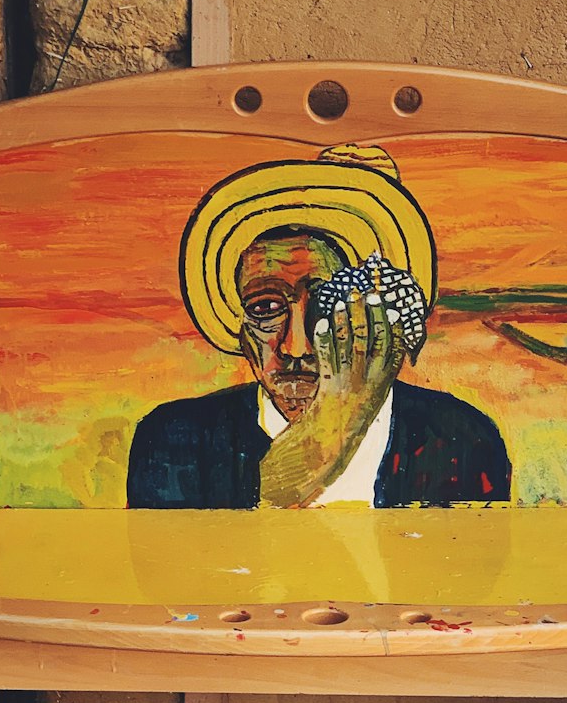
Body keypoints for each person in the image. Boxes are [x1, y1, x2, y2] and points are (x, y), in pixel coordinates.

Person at [126, 144, 511, 509]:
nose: (296, 347)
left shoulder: (460, 439)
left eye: (325, 305)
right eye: (266, 308)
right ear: (241, 330)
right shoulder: (176, 441)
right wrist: (324, 435)